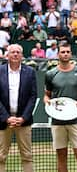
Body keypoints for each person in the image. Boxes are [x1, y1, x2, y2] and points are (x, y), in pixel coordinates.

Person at [43, 42, 77, 172]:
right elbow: (46, 96)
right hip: (57, 121)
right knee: (61, 156)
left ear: (71, 53)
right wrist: (48, 102)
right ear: (58, 54)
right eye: (63, 52)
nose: (65, 54)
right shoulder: (50, 74)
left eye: (68, 52)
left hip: (76, 120)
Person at [0, 44, 37, 172]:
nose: (15, 54)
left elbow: (33, 97)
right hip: (3, 122)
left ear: (22, 55)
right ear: (7, 55)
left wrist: (23, 118)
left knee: (27, 156)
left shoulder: (30, 72)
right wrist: (6, 118)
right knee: (0, 156)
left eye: (18, 52)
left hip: (24, 121)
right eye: (12, 52)